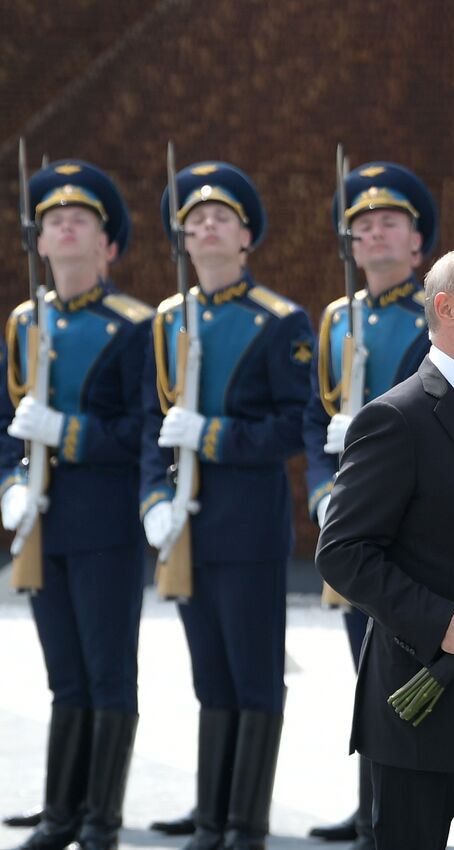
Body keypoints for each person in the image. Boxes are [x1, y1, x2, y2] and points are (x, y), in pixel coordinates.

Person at [316, 247, 454, 850]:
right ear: (445, 308)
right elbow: (342, 552)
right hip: (424, 711)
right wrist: (440, 621)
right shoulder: (397, 417)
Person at [142, 161, 311, 850]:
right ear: (182, 241)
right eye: (194, 220)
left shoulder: (278, 320)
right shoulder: (166, 319)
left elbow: (293, 424)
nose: (205, 225)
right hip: (187, 527)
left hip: (246, 525)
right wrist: (155, 496)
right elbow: (152, 421)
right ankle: (211, 812)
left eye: (221, 217)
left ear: (246, 238)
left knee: (253, 672)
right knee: (209, 672)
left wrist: (210, 434)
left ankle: (245, 820)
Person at [0, 160, 149, 850]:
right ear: (40, 244)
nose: (64, 226)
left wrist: (70, 433)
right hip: (40, 525)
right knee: (65, 675)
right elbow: (4, 425)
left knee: (107, 673)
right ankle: (61, 814)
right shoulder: (23, 322)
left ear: (107, 246)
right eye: (54, 220)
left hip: (104, 525)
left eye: (81, 220)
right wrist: (7, 484)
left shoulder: (134, 327)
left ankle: (101, 819)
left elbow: (145, 431)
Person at [302, 161, 438, 849]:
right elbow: (312, 418)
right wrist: (326, 493)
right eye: (361, 227)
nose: (374, 233)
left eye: (390, 223)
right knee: (366, 677)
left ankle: (398, 817)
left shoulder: (437, 314)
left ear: (417, 244)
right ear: (349, 246)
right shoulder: (337, 320)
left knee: (407, 674)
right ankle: (369, 811)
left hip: (415, 526)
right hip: (356, 527)